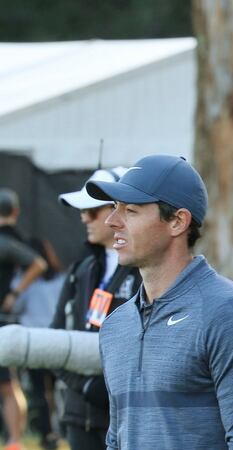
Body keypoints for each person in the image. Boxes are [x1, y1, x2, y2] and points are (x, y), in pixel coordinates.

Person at [85, 155, 233, 449]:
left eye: (131, 210)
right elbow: (117, 439)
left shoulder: (231, 314)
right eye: (114, 208)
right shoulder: (115, 326)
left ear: (177, 221)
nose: (112, 221)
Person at [50, 168, 141, 450]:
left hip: (129, 420)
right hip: (79, 417)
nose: (84, 218)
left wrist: (111, 389)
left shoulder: (145, 271)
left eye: (92, 210)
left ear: (122, 210)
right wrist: (85, 386)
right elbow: (56, 339)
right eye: (82, 211)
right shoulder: (81, 269)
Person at [0, 188, 48, 450]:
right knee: (9, 385)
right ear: (15, 212)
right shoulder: (11, 241)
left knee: (8, 384)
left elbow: (37, 264)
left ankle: (15, 441)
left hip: (1, 320)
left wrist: (14, 293)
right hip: (4, 319)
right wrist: (14, 293)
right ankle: (14, 440)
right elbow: (39, 264)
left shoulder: (5, 243)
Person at [11, 238, 63, 450]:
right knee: (60, 390)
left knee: (39, 391)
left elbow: (13, 307)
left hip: (33, 343)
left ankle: (47, 434)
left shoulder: (21, 283)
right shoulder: (62, 279)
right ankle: (62, 430)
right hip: (59, 341)